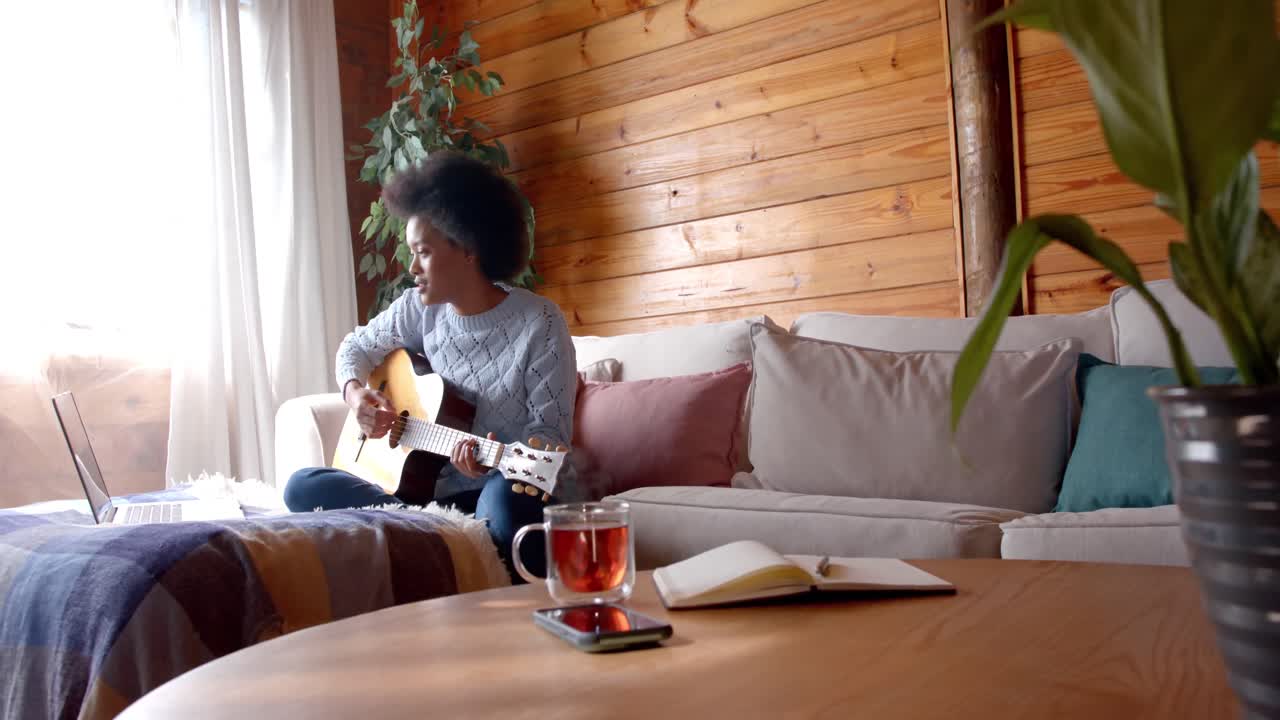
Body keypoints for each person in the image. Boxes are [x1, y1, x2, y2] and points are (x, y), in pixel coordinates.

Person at [283, 151, 577, 581]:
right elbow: (355, 348)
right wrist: (355, 394)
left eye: (422, 252)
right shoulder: (418, 311)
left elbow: (550, 437)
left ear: (468, 250)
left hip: (503, 485)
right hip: (419, 492)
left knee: (508, 506)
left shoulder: (540, 322)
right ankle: (426, 526)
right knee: (302, 485)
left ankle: (422, 532)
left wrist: (488, 462)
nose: (410, 267)